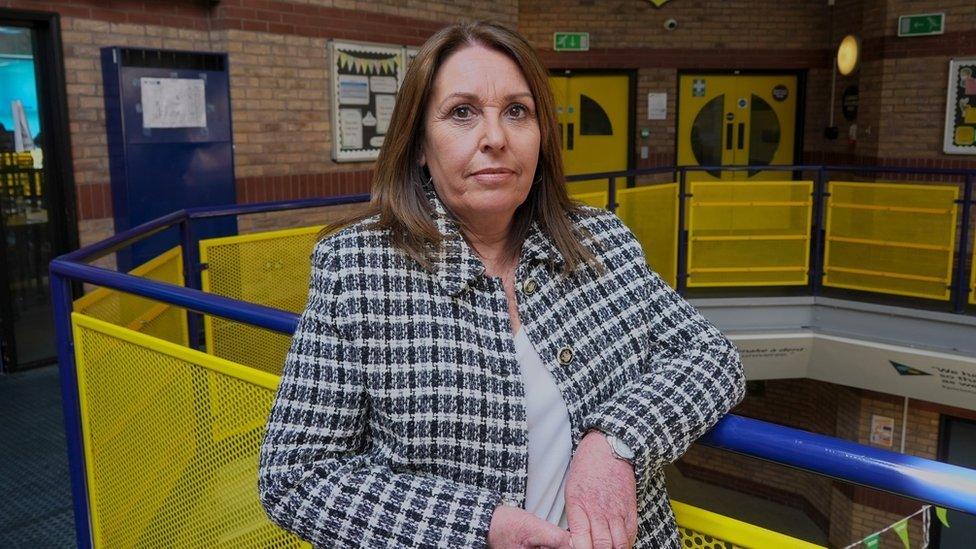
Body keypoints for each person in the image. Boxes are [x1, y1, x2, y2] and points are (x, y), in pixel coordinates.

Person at [259, 21, 745, 549]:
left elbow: (711, 355)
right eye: (462, 112)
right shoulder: (357, 270)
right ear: (420, 144)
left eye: (517, 111)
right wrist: (478, 529)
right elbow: (296, 475)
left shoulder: (601, 242)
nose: (495, 137)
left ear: (541, 136)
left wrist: (616, 441)